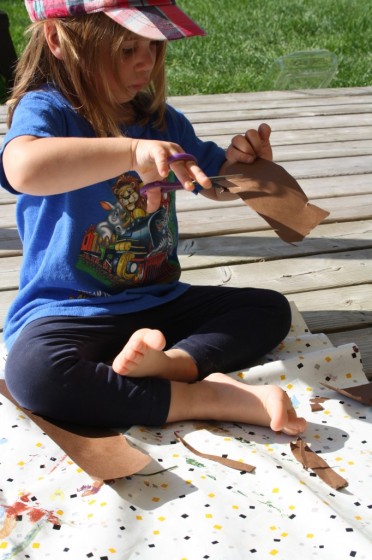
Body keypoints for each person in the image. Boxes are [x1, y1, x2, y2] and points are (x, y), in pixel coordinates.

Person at [0, 0, 306, 436]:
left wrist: (244, 167)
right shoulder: (49, 110)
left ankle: (177, 365)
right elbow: (23, 168)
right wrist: (130, 151)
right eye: (126, 50)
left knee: (269, 309)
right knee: (34, 375)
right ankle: (200, 396)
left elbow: (209, 179)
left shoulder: (157, 120)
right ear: (58, 40)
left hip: (160, 302)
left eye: (153, 45)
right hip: (69, 312)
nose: (145, 62)